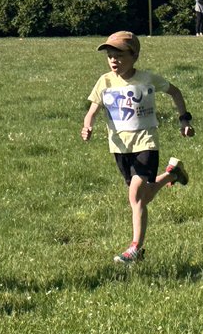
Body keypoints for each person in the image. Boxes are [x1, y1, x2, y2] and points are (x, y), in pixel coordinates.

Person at [81, 30, 194, 264]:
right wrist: (87, 126)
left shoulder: (147, 78)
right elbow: (93, 109)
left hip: (146, 142)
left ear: (135, 56)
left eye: (119, 55)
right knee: (142, 197)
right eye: (110, 56)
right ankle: (172, 174)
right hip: (120, 148)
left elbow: (175, 92)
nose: (114, 60)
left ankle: (135, 249)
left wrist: (184, 119)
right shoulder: (105, 81)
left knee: (135, 197)